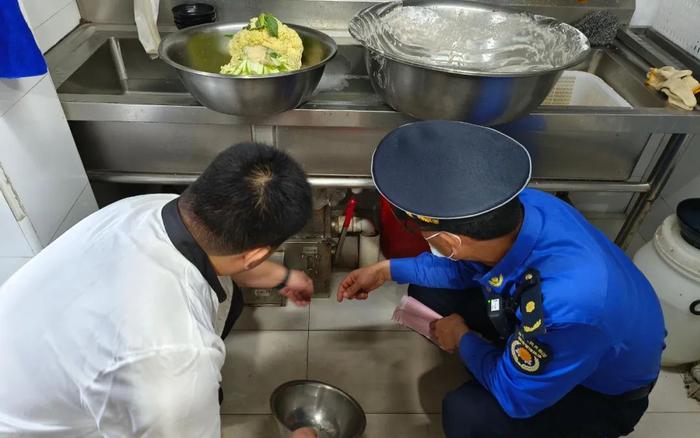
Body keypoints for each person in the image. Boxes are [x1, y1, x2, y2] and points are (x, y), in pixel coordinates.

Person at [337, 121, 666, 438]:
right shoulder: (523, 207)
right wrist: (385, 270)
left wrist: (463, 339)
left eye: (419, 231)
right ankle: (497, 355)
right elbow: (464, 268)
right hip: (567, 334)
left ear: (450, 242)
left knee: (467, 415)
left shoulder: (568, 304)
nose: (420, 238)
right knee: (427, 289)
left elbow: (517, 398)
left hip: (598, 393)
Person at [0, 143, 314, 436]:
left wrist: (285, 277)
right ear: (256, 254)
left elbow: (228, 259)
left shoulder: (153, 208)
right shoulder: (172, 359)